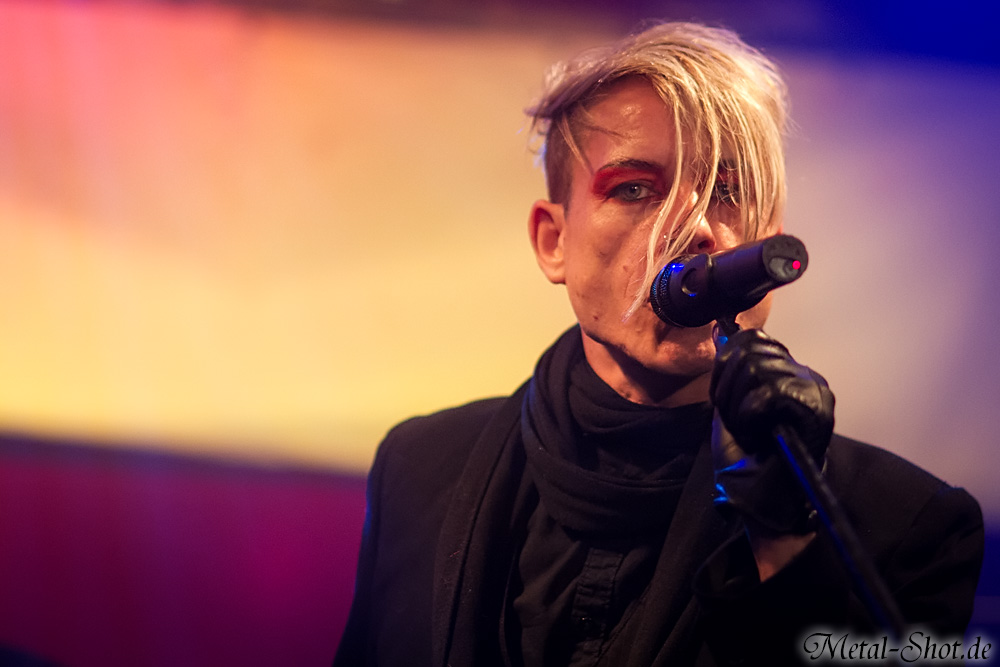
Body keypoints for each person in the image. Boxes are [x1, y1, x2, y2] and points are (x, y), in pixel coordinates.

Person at [334, 21, 984, 666]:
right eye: (636, 189)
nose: (693, 227)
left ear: (768, 242)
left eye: (727, 192)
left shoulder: (911, 529)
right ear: (553, 241)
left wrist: (783, 542)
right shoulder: (419, 469)